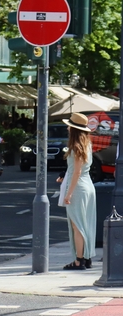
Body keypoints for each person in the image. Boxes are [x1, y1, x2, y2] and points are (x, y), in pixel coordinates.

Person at [59, 113, 96, 270]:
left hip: (79, 188)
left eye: (69, 125)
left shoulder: (76, 147)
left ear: (74, 129)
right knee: (86, 224)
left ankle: (78, 260)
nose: (67, 128)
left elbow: (76, 172)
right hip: (88, 186)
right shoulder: (87, 144)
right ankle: (86, 258)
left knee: (77, 226)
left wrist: (69, 194)